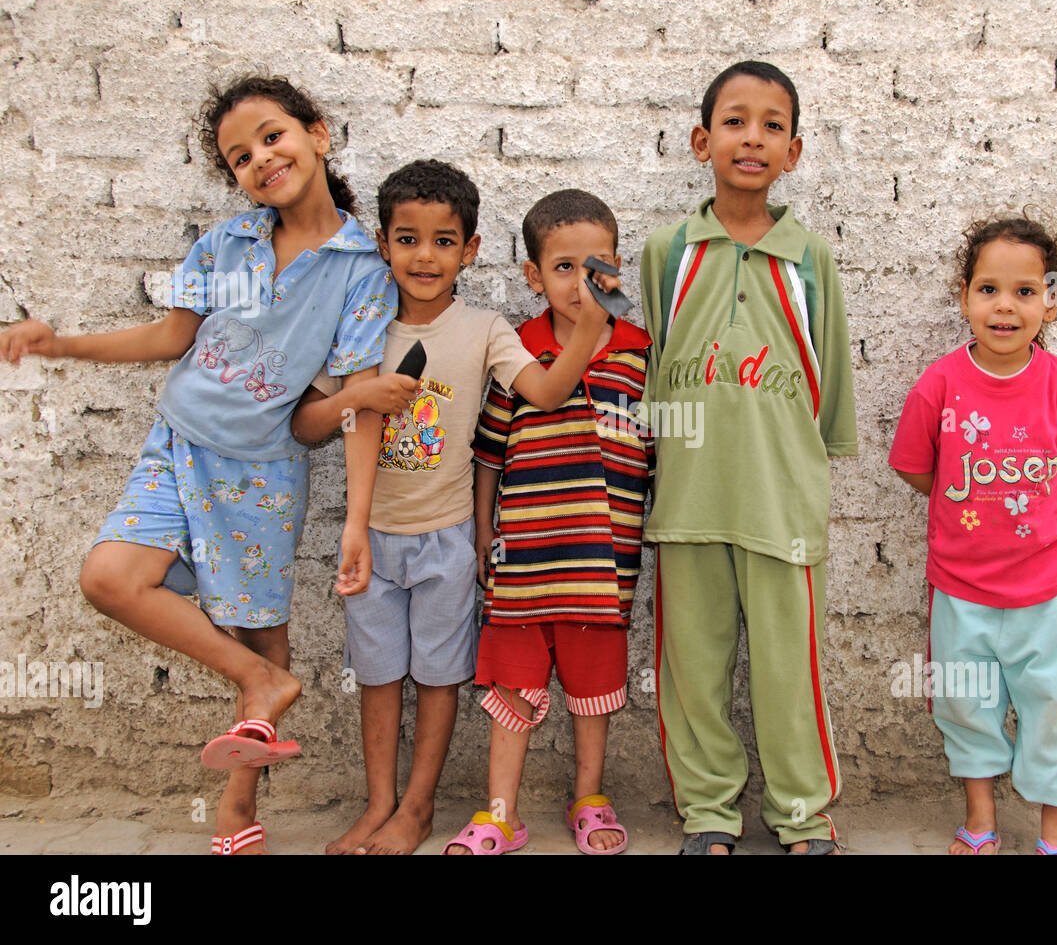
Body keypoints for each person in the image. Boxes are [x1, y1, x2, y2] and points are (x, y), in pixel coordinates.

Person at [0, 75, 396, 854]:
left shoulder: (362, 271)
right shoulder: (227, 244)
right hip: (175, 444)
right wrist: (62, 343)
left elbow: (355, 407)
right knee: (109, 577)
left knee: (258, 629)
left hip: (262, 472)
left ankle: (238, 806)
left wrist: (356, 522)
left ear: (318, 132)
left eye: (272, 136)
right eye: (239, 156)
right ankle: (262, 687)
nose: (260, 159)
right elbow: (168, 336)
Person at [293, 165, 614, 854]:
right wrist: (360, 397)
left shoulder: (485, 329)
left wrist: (588, 329)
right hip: (371, 539)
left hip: (446, 538)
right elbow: (306, 423)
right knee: (377, 676)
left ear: (469, 250)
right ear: (382, 243)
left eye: (444, 241)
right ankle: (379, 801)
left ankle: (417, 806)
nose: (425, 256)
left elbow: (546, 389)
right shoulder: (361, 326)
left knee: (439, 677)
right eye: (407, 239)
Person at [639, 61, 859, 855]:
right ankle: (708, 814)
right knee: (693, 671)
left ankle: (802, 815)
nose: (752, 138)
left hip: (781, 498)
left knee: (787, 671)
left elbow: (827, 380)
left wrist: (809, 472)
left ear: (794, 151)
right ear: (702, 140)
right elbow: (656, 362)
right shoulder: (669, 251)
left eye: (772, 125)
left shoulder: (809, 259)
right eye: (735, 121)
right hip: (690, 500)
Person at [889, 213, 1057, 855]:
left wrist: (1037, 509)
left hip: (1050, 582)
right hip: (963, 586)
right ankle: (980, 819)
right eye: (988, 289)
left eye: (1024, 291)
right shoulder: (940, 383)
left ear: (1050, 300)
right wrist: (965, 506)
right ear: (963, 297)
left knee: (1055, 702)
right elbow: (912, 465)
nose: (1005, 307)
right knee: (966, 701)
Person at [442, 190, 653, 855]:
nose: (580, 283)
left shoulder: (639, 353)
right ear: (533, 276)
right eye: (562, 267)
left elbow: (657, 450)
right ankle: (499, 812)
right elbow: (488, 453)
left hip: (603, 562)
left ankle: (589, 796)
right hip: (525, 561)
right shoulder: (518, 353)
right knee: (514, 688)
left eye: (595, 268)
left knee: (593, 692)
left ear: (616, 271)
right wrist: (483, 529)